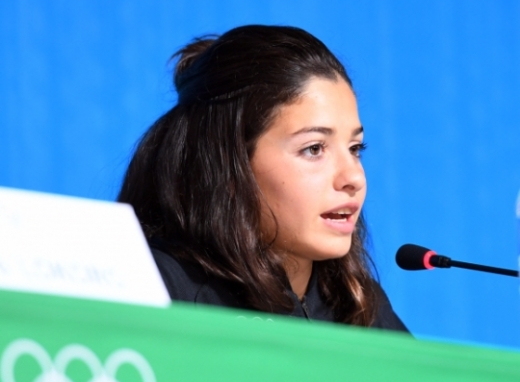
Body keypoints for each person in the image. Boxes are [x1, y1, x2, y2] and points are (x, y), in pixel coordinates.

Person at [118, 25, 408, 331]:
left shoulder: (359, 303)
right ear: (229, 165)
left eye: (355, 148)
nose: (354, 177)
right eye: (314, 149)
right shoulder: (156, 290)